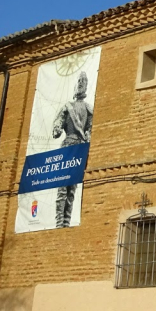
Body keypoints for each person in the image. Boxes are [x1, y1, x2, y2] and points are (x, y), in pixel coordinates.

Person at [52, 71, 93, 228]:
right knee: (62, 187)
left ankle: (67, 222)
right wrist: (57, 128)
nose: (81, 83)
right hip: (67, 146)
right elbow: (57, 126)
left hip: (79, 149)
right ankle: (58, 222)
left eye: (84, 81)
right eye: (79, 81)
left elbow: (89, 128)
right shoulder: (67, 107)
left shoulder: (89, 109)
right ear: (75, 85)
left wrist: (87, 135)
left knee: (72, 189)